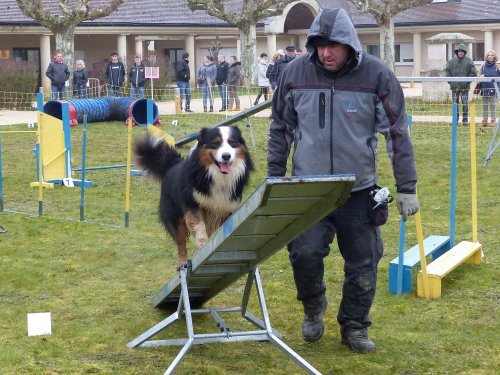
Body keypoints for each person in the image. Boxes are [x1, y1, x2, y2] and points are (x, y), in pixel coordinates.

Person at [267, 8, 419, 353]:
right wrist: (275, 179)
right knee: (303, 254)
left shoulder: (377, 76)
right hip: (309, 189)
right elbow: (279, 129)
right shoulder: (293, 74)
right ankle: (313, 305)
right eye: (320, 45)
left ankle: (354, 326)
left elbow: (397, 134)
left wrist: (406, 187)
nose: (326, 52)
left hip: (359, 189)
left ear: (350, 44)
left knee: (363, 261)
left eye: (334, 45)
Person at [445, 44, 477, 125]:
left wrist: (467, 82)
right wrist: (451, 82)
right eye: (459, 51)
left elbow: (473, 73)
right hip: (454, 87)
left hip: (465, 87)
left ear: (464, 52)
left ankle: (465, 121)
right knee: (455, 104)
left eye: (462, 51)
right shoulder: (451, 62)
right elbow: (447, 72)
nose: (460, 52)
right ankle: (455, 121)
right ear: (456, 52)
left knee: (465, 104)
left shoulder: (469, 61)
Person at [477, 50, 499, 127]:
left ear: (494, 56)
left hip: (494, 88)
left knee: (493, 105)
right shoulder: (483, 66)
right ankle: (484, 120)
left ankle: (493, 120)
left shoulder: (497, 65)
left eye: (492, 55)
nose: (490, 56)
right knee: (485, 105)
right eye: (489, 55)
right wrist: (480, 76)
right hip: (484, 88)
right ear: (486, 57)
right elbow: (479, 75)